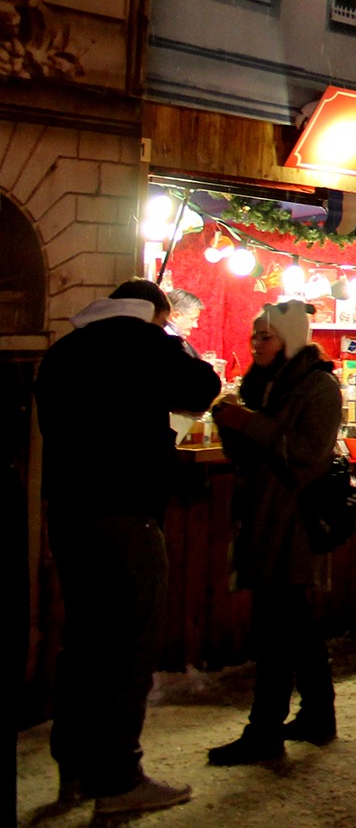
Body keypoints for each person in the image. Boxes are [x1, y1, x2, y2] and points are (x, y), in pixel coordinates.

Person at [34, 279, 221, 814]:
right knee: (126, 647)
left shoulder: (65, 351)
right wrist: (167, 336)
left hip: (69, 516)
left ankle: (74, 771)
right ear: (157, 313)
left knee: (83, 644)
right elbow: (202, 387)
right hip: (127, 515)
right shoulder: (149, 343)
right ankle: (118, 779)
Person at [207, 302, 345, 765]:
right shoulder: (261, 383)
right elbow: (247, 452)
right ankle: (318, 714)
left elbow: (307, 452)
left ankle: (264, 730)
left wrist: (248, 422)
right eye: (254, 337)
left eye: (265, 336)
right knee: (294, 621)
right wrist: (230, 423)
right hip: (261, 512)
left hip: (293, 518)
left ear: (289, 338)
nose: (256, 344)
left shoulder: (318, 386)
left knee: (277, 626)